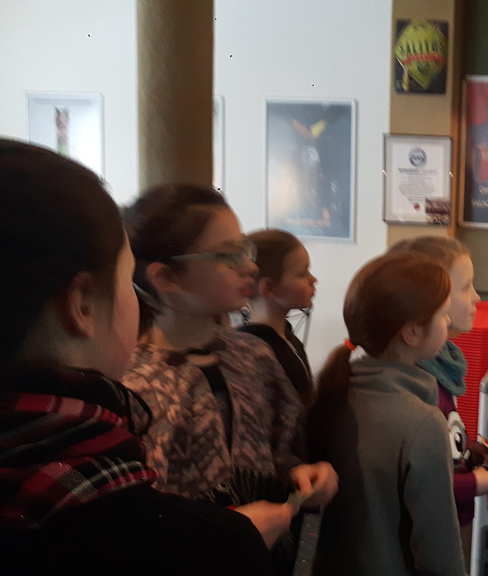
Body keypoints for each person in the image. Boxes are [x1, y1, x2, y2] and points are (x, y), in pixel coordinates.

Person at [0, 140, 274, 575]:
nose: (249, 266)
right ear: (82, 304)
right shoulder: (189, 544)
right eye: (127, 279)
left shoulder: (254, 355)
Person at [121, 184, 337, 557]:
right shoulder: (131, 385)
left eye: (244, 249)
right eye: (227, 255)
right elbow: (133, 528)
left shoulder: (254, 357)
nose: (249, 266)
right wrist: (225, 536)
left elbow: (280, 450)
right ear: (167, 277)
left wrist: (302, 475)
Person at [308, 251, 464, 576]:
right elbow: (440, 556)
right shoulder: (422, 423)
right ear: (412, 333)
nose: (448, 322)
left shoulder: (332, 393)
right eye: (443, 314)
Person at [389, 236, 488, 566]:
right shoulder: (414, 381)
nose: (477, 298)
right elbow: (416, 479)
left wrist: (468, 450)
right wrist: (476, 482)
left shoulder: (439, 366)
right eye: (466, 287)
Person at [239, 229, 317, 407]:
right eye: (303, 273)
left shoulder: (288, 338)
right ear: (269, 288)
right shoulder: (254, 353)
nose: (313, 280)